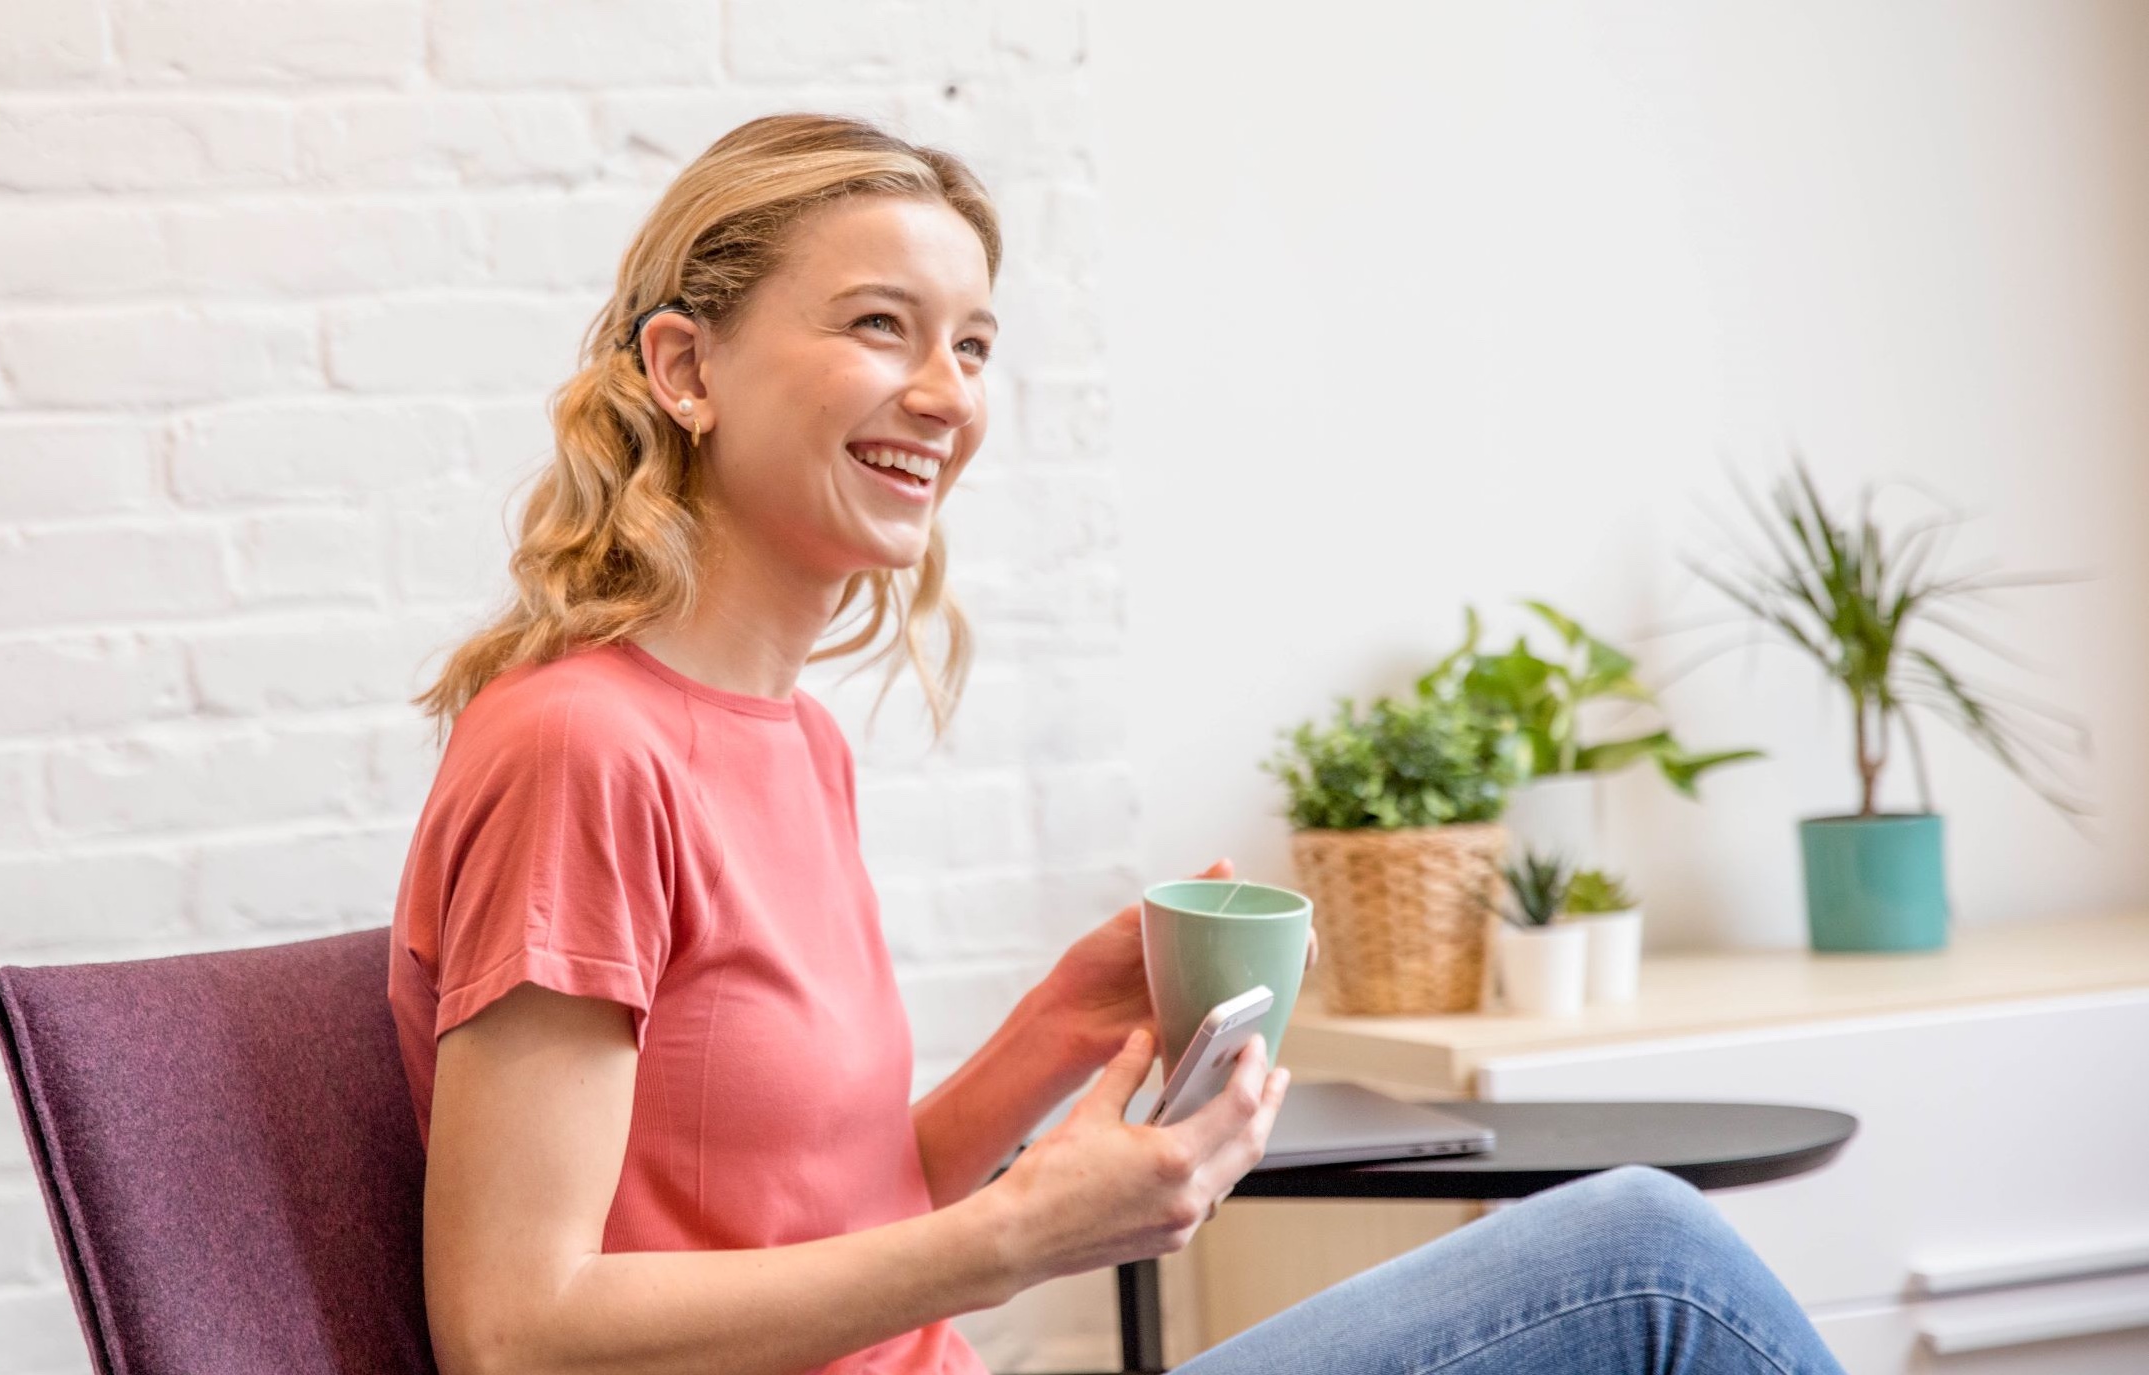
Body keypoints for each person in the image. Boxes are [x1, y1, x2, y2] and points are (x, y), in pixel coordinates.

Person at [388, 112, 1847, 1375]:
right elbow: (517, 1333)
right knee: (1646, 1264)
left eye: (972, 344)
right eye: (878, 324)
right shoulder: (581, 752)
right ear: (683, 370)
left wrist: (1057, 1031)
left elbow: (819, 1208)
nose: (951, 395)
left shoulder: (794, 746)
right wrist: (1013, 1242)